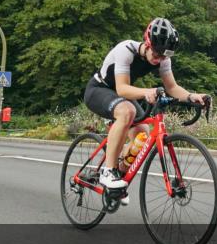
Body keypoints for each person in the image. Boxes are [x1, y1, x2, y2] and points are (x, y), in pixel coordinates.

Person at [83, 18, 208, 194]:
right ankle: (107, 171)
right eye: (157, 55)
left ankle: (117, 181)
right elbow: (122, 88)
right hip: (99, 90)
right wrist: (147, 92)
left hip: (122, 95)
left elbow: (172, 87)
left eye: (164, 56)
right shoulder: (126, 50)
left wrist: (191, 96)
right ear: (147, 43)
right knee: (127, 111)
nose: (159, 60)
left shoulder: (163, 58)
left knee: (141, 136)